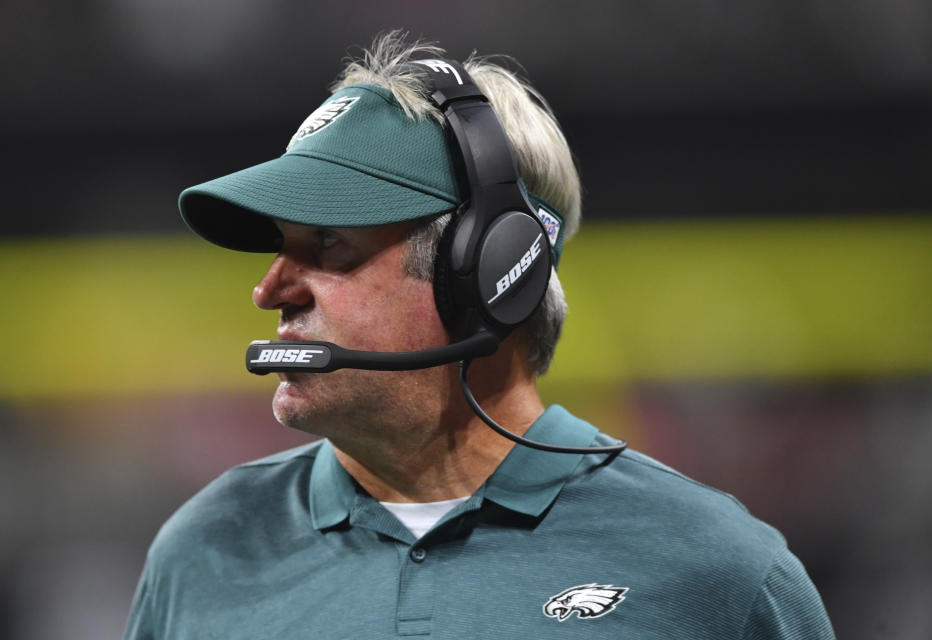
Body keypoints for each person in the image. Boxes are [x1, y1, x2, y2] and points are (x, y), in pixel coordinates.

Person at [124, 33, 834, 639]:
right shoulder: (202, 553)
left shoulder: (716, 574)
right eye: (279, 247)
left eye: (328, 245)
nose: (270, 289)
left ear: (488, 272)